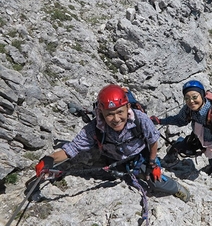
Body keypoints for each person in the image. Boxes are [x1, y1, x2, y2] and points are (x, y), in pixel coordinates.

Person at [35, 84, 190, 202]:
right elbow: (72, 149)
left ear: (128, 107)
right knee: (127, 178)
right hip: (115, 159)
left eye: (119, 112)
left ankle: (177, 188)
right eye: (109, 114)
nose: (116, 119)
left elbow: (153, 140)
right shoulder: (94, 129)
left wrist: (153, 163)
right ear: (101, 113)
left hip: (140, 156)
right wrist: (49, 160)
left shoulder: (140, 119)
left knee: (156, 182)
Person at [150, 80, 212, 176]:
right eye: (187, 98)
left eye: (194, 97)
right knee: (180, 146)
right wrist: (160, 121)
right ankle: (171, 156)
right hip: (198, 137)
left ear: (202, 95)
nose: (191, 101)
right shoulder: (189, 109)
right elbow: (179, 120)